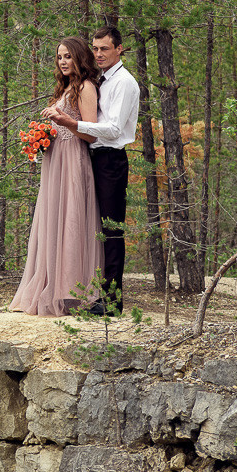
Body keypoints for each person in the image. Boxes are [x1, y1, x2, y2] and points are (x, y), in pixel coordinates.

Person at [44, 25, 140, 315]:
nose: (99, 54)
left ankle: (112, 303)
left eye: (105, 49)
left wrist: (72, 125)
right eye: (95, 49)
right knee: (91, 225)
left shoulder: (124, 82)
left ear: (119, 49)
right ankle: (93, 292)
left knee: (111, 230)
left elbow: (112, 130)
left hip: (110, 160)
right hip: (93, 158)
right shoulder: (103, 81)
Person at [10, 37, 103, 316]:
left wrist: (64, 123)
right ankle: (50, 283)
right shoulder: (66, 88)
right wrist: (41, 137)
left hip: (73, 160)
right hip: (55, 161)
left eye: (67, 57)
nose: (62, 62)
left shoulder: (86, 87)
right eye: (59, 57)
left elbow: (90, 132)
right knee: (54, 220)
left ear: (79, 58)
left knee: (72, 220)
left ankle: (73, 292)